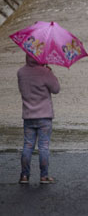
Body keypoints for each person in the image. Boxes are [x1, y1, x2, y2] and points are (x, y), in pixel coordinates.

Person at [17, 55, 60, 184]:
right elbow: (56, 89)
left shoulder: (21, 72)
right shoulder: (45, 72)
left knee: (28, 145)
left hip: (28, 115)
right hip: (44, 116)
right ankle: (44, 176)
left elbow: (23, 90)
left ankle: (24, 176)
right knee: (44, 146)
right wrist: (50, 73)